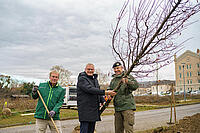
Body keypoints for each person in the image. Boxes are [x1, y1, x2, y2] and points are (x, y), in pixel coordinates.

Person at [77, 63, 116, 133]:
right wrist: (106, 92)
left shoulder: (95, 79)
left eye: (92, 69)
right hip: (85, 109)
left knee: (91, 130)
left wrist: (103, 101)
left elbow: (97, 92)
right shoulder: (82, 79)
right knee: (84, 130)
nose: (90, 71)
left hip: (94, 109)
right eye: (88, 69)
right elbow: (90, 89)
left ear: (94, 70)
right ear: (85, 70)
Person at [109, 62, 139, 133]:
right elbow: (109, 89)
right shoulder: (113, 80)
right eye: (115, 69)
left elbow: (136, 86)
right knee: (118, 130)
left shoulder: (128, 76)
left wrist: (127, 81)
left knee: (128, 130)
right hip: (117, 109)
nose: (116, 70)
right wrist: (108, 94)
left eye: (118, 68)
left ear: (122, 68)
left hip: (127, 108)